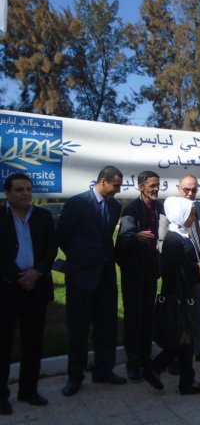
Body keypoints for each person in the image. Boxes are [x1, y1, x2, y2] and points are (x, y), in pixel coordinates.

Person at [57, 165, 125, 397]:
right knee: (78, 328)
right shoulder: (77, 203)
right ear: (103, 181)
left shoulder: (115, 206)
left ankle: (103, 370)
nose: (118, 190)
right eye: (115, 185)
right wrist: (80, 257)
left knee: (106, 326)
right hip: (81, 276)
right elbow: (63, 236)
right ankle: (75, 377)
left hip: (106, 276)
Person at [143, 196, 200, 394]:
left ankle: (173, 376)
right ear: (180, 214)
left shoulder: (181, 236)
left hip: (184, 295)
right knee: (183, 339)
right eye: (191, 214)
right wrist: (195, 267)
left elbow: (187, 259)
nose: (194, 218)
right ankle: (173, 375)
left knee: (184, 340)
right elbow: (172, 269)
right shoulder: (172, 240)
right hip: (178, 297)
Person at [0, 174, 57, 415]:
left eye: (28, 189)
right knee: (3, 344)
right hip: (7, 289)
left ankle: (29, 390)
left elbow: (51, 248)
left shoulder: (42, 216)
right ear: (7, 193)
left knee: (33, 342)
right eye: (19, 189)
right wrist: (18, 276)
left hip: (36, 288)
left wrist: (37, 272)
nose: (25, 193)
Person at [158, 175, 200, 365]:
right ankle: (174, 359)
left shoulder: (199, 210)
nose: (190, 193)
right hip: (179, 278)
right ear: (179, 188)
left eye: (194, 190)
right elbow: (162, 245)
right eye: (186, 189)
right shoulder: (170, 212)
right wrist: (188, 263)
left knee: (199, 312)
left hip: (198, 273)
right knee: (180, 318)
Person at [115, 171, 163, 382]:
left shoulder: (158, 207)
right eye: (152, 185)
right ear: (141, 187)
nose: (156, 189)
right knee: (134, 319)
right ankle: (133, 363)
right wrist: (136, 236)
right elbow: (123, 239)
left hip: (151, 272)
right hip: (133, 274)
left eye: (158, 185)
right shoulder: (131, 209)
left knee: (148, 317)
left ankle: (145, 360)